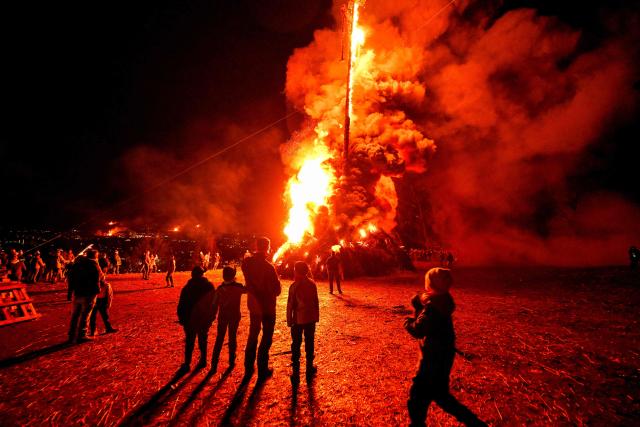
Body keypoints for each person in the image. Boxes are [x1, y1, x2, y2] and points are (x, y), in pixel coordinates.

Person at [404, 268, 486, 427]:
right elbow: (431, 320)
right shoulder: (444, 299)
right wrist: (422, 304)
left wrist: (408, 320)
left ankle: (417, 425)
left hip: (433, 357)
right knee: (440, 395)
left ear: (432, 284)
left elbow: (418, 330)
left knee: (419, 394)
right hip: (443, 354)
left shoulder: (433, 308)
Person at [242, 236, 281, 381]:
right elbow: (277, 291)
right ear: (268, 248)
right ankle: (262, 369)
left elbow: (248, 274)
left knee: (253, 335)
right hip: (267, 307)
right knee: (266, 337)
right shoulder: (269, 267)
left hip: (254, 306)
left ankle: (248, 366)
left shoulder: (247, 263)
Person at [177, 266, 216, 372]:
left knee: (190, 341)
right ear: (202, 274)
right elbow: (214, 304)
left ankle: (187, 363)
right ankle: (203, 360)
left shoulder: (187, 288)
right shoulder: (209, 286)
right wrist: (211, 317)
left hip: (190, 320)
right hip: (204, 319)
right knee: (203, 339)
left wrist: (182, 318)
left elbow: (181, 305)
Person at [286, 261, 319, 381]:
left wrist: (289, 320)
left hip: (298, 320)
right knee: (309, 341)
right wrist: (316, 317)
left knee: (296, 343)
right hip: (310, 319)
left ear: (296, 271)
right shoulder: (312, 284)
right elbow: (316, 302)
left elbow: (290, 305)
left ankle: (295, 371)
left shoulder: (294, 286)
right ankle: (309, 366)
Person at [211, 266, 246, 373]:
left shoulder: (219, 289)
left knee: (219, 338)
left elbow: (214, 304)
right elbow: (248, 289)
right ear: (233, 275)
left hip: (222, 316)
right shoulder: (238, 287)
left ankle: (214, 363)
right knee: (232, 337)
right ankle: (231, 360)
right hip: (234, 316)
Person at [67, 249, 103, 343]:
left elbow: (71, 278)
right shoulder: (94, 265)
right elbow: (100, 278)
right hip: (88, 294)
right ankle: (82, 335)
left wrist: (70, 292)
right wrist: (98, 290)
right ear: (94, 256)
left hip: (77, 292)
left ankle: (72, 334)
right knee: (85, 315)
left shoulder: (77, 264)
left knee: (75, 315)